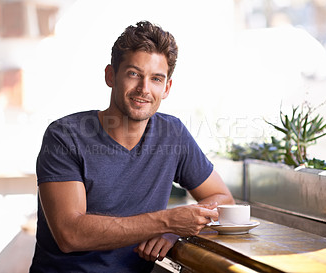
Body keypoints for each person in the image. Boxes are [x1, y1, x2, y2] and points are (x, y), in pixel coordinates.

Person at [29, 21, 235, 273]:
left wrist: (173, 232)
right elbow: (70, 234)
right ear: (110, 76)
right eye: (134, 74)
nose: (144, 89)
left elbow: (224, 200)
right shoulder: (64, 136)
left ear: (166, 88)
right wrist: (167, 221)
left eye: (156, 79)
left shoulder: (172, 134)